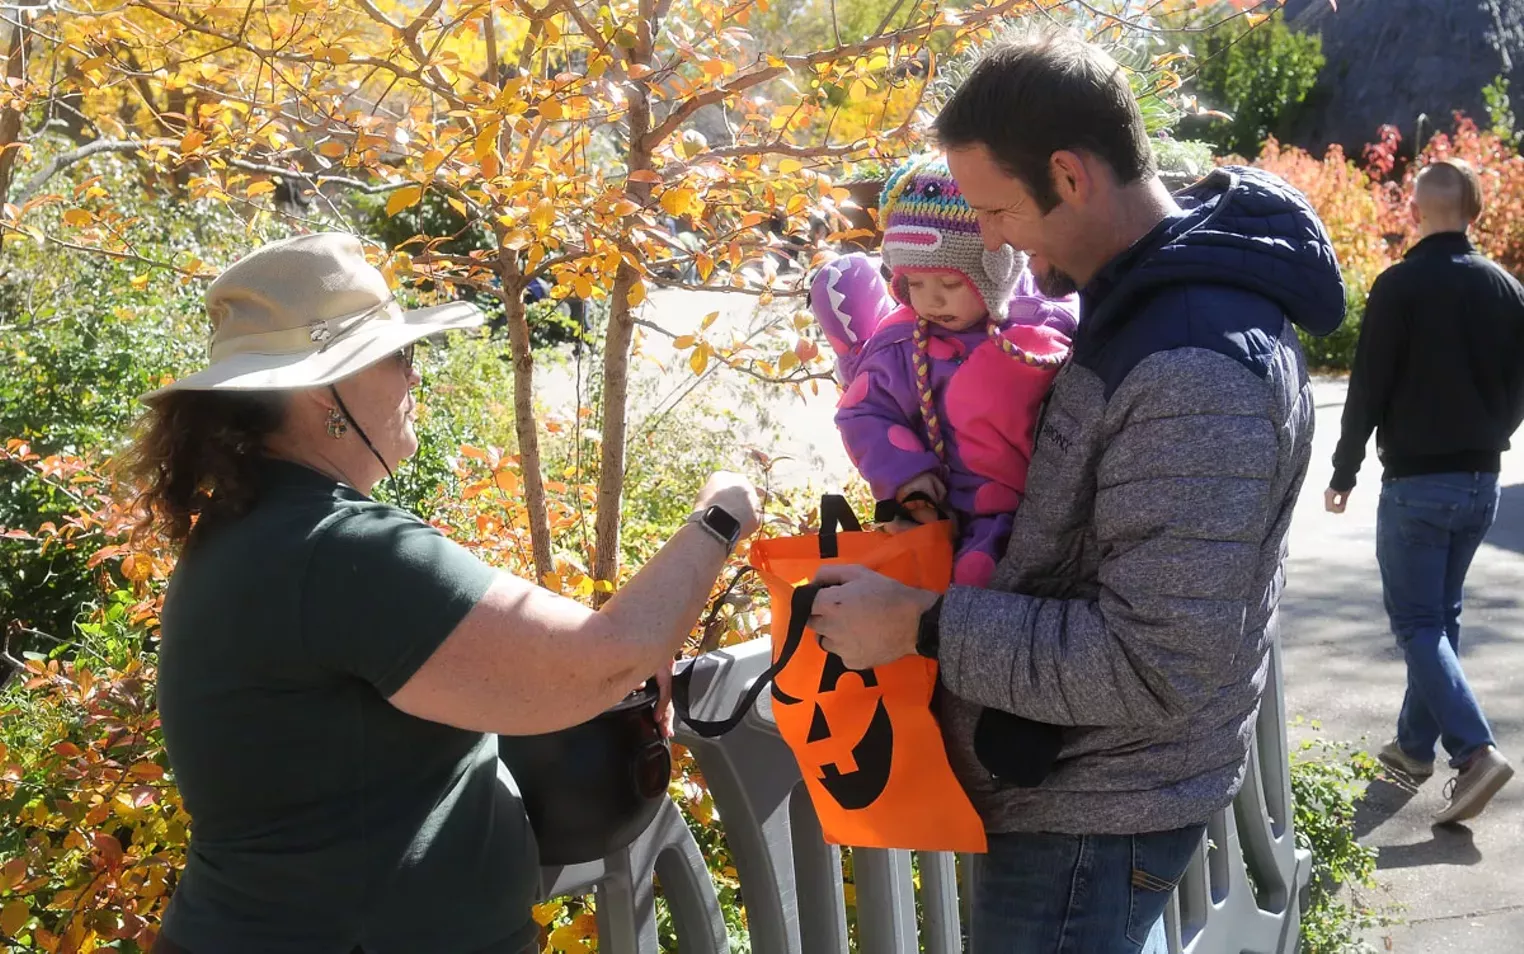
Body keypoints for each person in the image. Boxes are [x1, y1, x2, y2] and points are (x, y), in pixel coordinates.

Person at [803, 31, 1344, 954]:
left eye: (999, 210)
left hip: (1093, 807)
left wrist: (921, 624)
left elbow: (1155, 661)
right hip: (1071, 784)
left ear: (1069, 173)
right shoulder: (1142, 303)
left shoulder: (1192, 367)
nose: (992, 239)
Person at [124, 232, 761, 954]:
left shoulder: (262, 529)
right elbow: (604, 660)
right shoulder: (335, 549)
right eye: (401, 357)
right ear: (318, 392)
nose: (414, 378)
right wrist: (722, 514)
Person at [1325, 158, 1522, 824]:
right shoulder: (1505, 288)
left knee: (1416, 623)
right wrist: (1493, 430)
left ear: (1415, 210)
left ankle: (1474, 752)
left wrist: (1345, 470)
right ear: (1475, 212)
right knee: (1440, 617)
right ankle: (1413, 749)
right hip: (1481, 483)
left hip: (1416, 484)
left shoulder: (1400, 286)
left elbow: (1369, 389)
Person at [812, 152, 1076, 588]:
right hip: (951, 507)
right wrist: (907, 476)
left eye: (950, 284)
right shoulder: (901, 343)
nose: (930, 301)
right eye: (913, 284)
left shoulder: (1048, 316)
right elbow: (864, 411)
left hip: (1045, 508)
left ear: (999, 267)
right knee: (959, 577)